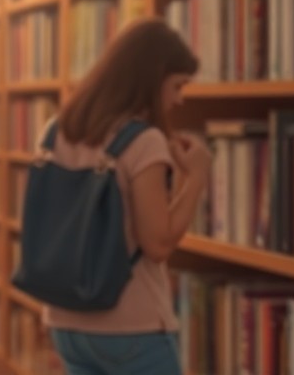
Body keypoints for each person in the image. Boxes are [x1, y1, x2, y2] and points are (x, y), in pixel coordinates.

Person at [38, 19, 206, 375]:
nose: (179, 98)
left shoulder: (57, 130)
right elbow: (157, 244)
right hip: (130, 328)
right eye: (176, 85)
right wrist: (197, 177)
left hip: (66, 323)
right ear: (151, 79)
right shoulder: (143, 141)